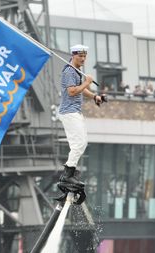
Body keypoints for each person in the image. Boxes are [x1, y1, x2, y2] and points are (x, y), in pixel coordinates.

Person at [58, 44, 101, 186]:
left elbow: (81, 90)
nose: (83, 58)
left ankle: (71, 172)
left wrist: (94, 96)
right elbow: (72, 91)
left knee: (82, 143)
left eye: (84, 56)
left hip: (75, 111)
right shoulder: (69, 71)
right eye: (80, 56)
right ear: (73, 55)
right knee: (79, 144)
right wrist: (87, 82)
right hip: (69, 112)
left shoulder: (76, 71)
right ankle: (68, 175)